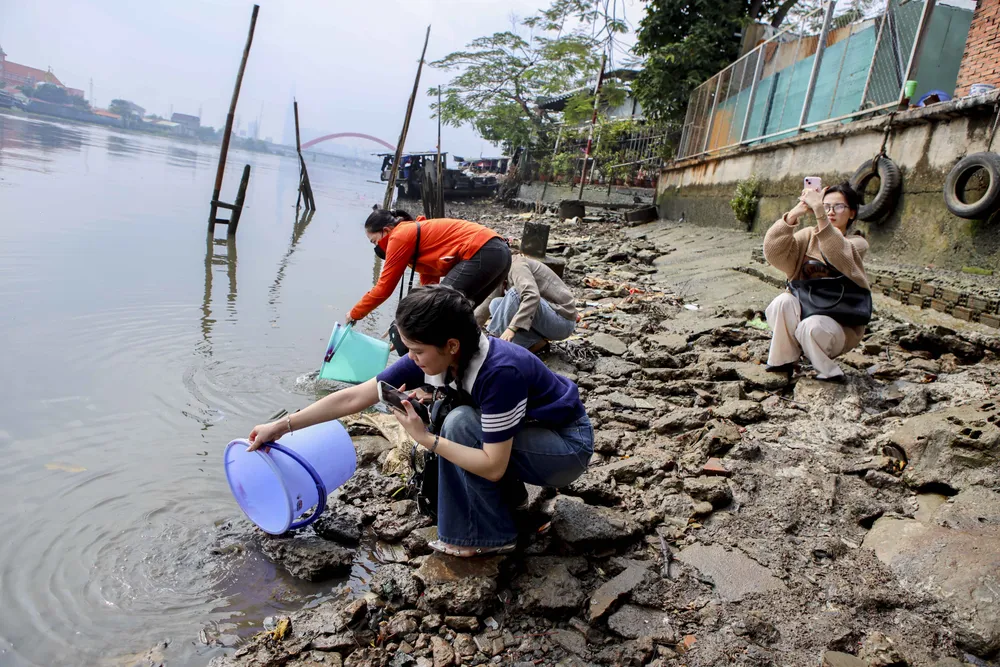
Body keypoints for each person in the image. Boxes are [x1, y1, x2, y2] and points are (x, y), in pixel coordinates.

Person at [249, 285, 593, 556]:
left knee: (457, 423)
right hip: (529, 434)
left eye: (417, 351)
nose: (412, 359)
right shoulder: (435, 357)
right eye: (409, 350)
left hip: (565, 447)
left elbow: (492, 466)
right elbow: (355, 396)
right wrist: (281, 427)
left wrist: (425, 438)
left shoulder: (500, 371)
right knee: (449, 418)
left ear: (452, 345)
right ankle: (508, 502)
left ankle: (492, 538)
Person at [763, 182, 870, 382]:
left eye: (839, 207)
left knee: (811, 326)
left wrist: (820, 213)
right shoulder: (807, 236)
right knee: (781, 302)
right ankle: (783, 361)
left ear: (852, 213)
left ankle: (829, 371)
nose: (831, 212)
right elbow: (773, 253)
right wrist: (793, 215)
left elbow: (836, 253)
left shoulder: (857, 244)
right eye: (826, 205)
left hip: (837, 326)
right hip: (804, 313)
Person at [349, 209, 512, 323]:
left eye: (375, 241)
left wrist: (355, 313)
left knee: (439, 309)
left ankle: (421, 363)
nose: (377, 247)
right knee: (459, 315)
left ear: (386, 230)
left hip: (483, 251)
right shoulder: (416, 238)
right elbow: (430, 286)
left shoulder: (399, 237)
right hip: (500, 253)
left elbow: (384, 288)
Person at [474, 254, 578, 352]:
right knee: (495, 304)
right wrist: (467, 332)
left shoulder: (516, 265)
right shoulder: (500, 274)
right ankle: (534, 343)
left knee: (515, 294)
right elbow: (485, 306)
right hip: (546, 320)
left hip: (562, 322)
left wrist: (511, 329)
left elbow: (531, 295)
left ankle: (495, 346)